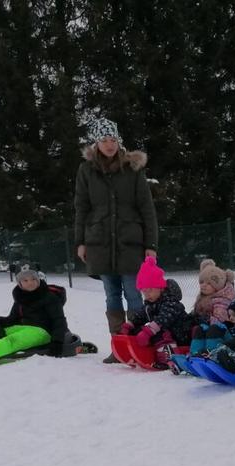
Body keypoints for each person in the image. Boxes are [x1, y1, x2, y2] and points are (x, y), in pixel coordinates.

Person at [72, 116, 158, 358]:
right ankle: (119, 346)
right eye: (104, 140)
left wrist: (150, 244)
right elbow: (82, 207)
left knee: (133, 293)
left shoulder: (132, 169)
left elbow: (147, 208)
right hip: (99, 242)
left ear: (119, 141)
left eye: (113, 139)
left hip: (130, 243)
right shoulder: (86, 170)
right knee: (111, 295)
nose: (109, 144)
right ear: (96, 144)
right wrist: (80, 241)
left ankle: (140, 344)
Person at [121, 256, 191, 367]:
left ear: (160, 287)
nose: (147, 294)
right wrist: (130, 324)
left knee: (160, 333)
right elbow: (142, 314)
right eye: (144, 292)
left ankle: (168, 359)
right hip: (166, 333)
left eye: (150, 290)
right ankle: (135, 353)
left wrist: (148, 331)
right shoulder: (151, 303)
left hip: (181, 335)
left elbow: (163, 319)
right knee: (140, 331)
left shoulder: (171, 302)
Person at [187, 258, 235, 356]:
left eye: (209, 283)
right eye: (202, 282)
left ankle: (213, 354)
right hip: (209, 330)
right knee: (199, 329)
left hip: (224, 334)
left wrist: (205, 320)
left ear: (217, 286)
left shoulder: (222, 300)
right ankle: (195, 354)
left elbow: (220, 320)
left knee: (212, 329)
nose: (203, 286)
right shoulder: (203, 299)